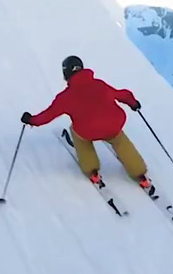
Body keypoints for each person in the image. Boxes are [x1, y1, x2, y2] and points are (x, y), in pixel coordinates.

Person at [22, 55, 152, 188]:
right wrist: (133, 103)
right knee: (118, 138)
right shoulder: (100, 84)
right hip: (114, 124)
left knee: (77, 133)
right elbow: (122, 94)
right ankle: (140, 174)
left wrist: (31, 120)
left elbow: (47, 116)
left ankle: (92, 171)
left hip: (88, 130)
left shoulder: (65, 97)